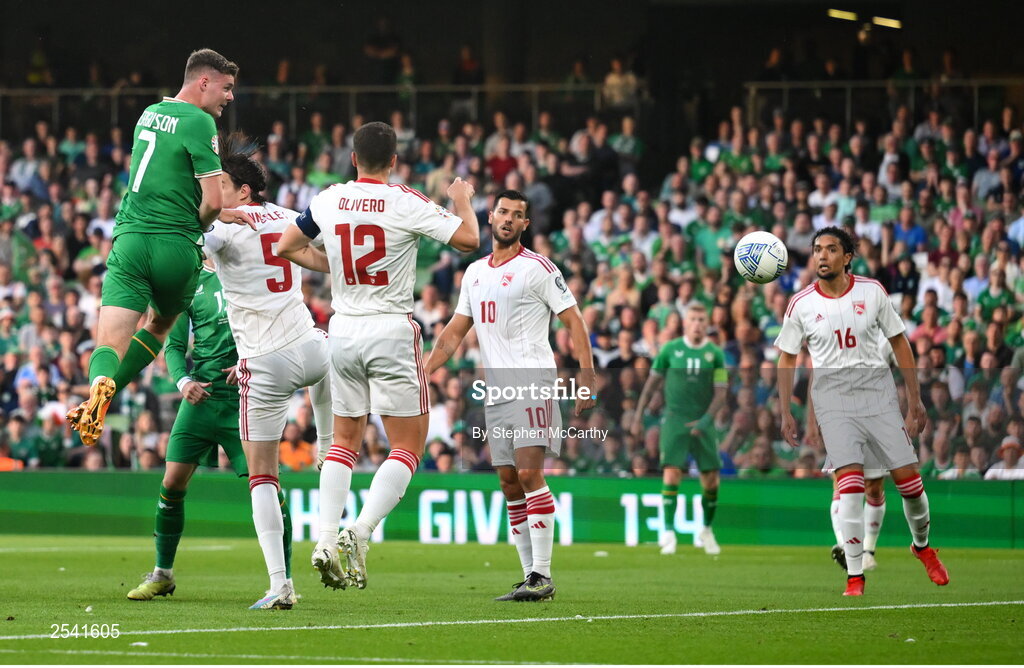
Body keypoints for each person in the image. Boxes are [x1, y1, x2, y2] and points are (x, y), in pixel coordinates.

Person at [277, 121, 479, 590]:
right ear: (393, 161)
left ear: (352, 158)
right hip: (389, 328)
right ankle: (360, 531)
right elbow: (469, 240)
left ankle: (325, 537)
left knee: (343, 443)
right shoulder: (404, 199)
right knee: (407, 445)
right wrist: (462, 198)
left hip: (343, 329)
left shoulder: (329, 198)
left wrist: (333, 263)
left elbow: (288, 245)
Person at [67, 48, 254, 447]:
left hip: (131, 241)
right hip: (175, 247)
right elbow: (214, 201)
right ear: (204, 82)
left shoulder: (148, 114)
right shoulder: (200, 121)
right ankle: (110, 390)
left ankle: (99, 386)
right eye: (227, 87)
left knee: (108, 344)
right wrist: (202, 225)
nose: (230, 97)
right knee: (160, 322)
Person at [426, 190, 596, 602]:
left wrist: (587, 377)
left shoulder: (538, 269)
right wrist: (423, 371)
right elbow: (453, 332)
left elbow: (574, 321)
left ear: (525, 225)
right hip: (497, 391)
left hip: (533, 382)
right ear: (491, 217)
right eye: (503, 211)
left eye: (517, 215)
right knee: (507, 482)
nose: (508, 219)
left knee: (529, 474)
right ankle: (528, 577)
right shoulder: (474, 273)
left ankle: (543, 574)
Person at [776, 226, 949, 596]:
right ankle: (855, 575)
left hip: (879, 399)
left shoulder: (872, 292)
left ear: (847, 256)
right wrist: (786, 411)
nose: (822, 256)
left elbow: (900, 343)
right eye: (817, 249)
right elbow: (788, 358)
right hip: (835, 405)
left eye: (831, 249)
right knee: (850, 486)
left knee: (910, 485)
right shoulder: (801, 304)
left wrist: (914, 399)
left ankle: (922, 547)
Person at [202, 133, 335, 609]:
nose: (211, 192)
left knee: (262, 476)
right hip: (310, 346)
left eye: (218, 183)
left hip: (265, 362)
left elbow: (189, 227)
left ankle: (280, 584)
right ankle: (326, 444)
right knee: (328, 360)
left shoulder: (221, 226)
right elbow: (324, 246)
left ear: (241, 190)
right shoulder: (287, 215)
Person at [127, 262, 296, 605]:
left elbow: (278, 329)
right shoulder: (188, 281)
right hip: (200, 398)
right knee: (172, 482)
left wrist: (253, 361)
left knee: (266, 483)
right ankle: (162, 574)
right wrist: (183, 380)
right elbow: (174, 346)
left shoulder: (249, 270)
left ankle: (285, 580)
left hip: (245, 397)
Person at [631, 303, 727, 556]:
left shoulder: (715, 354)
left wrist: (706, 422)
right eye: (693, 319)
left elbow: (721, 393)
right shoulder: (670, 350)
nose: (697, 324)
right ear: (685, 323)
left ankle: (706, 529)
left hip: (703, 421)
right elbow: (651, 385)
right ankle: (669, 532)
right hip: (674, 420)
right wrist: (638, 416)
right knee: (672, 474)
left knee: (711, 482)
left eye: (701, 320)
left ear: (706, 324)